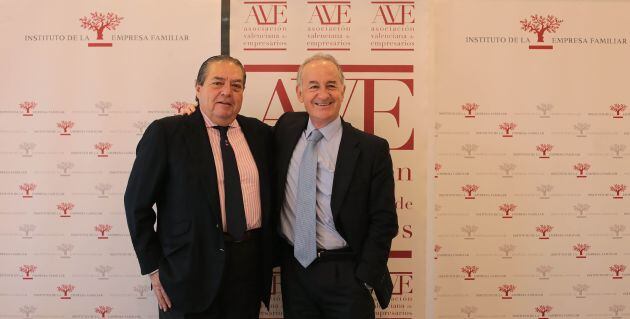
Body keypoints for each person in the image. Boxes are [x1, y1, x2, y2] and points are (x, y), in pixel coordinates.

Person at [124, 55, 274, 319]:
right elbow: (137, 203)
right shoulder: (167, 133)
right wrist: (154, 268)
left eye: (236, 85)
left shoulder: (261, 134)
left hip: (247, 273)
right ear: (198, 88)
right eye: (218, 82)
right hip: (186, 274)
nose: (227, 92)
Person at [273, 53, 398, 319]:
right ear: (299, 93)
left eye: (331, 85)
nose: (323, 94)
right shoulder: (285, 128)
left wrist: (364, 277)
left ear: (343, 90)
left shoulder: (371, 149)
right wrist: (195, 115)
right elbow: (237, 130)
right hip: (295, 273)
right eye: (313, 86)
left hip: (347, 273)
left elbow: (384, 220)